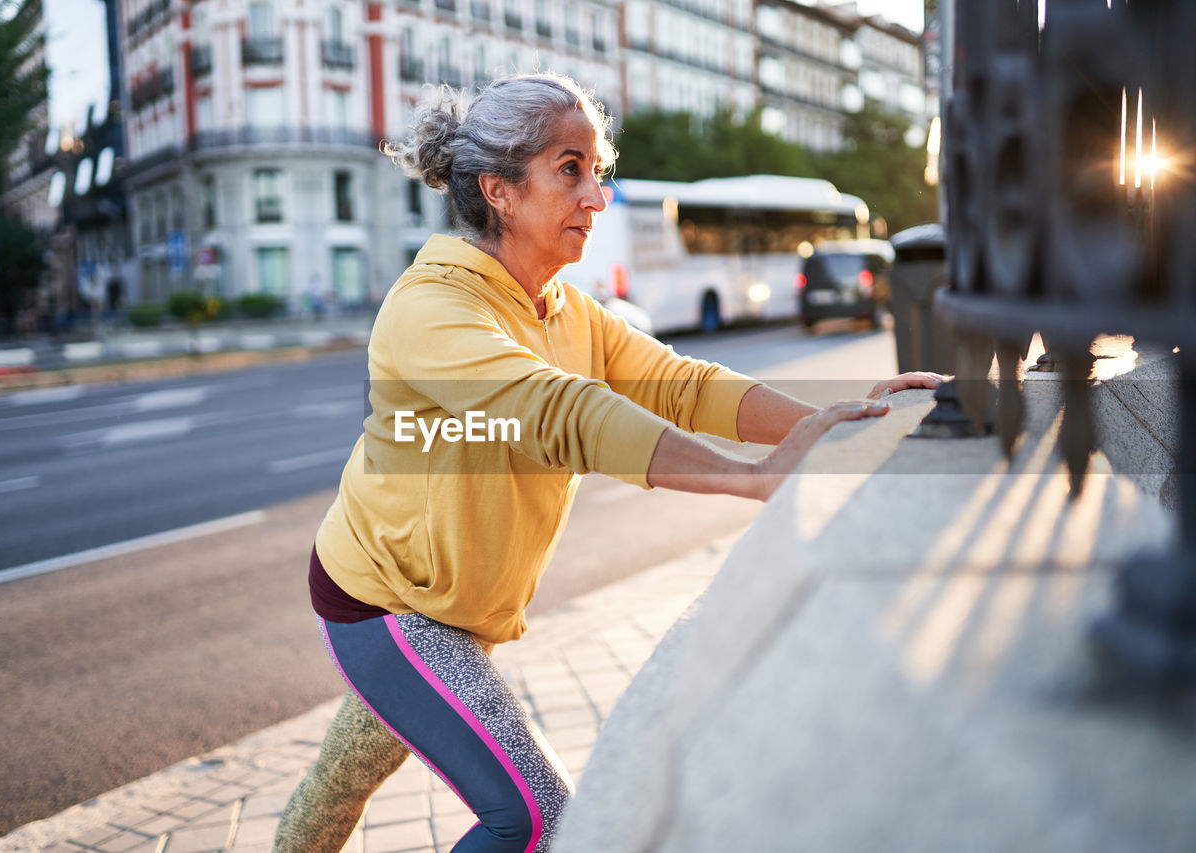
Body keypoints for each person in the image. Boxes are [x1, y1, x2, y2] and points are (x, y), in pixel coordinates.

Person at [274, 72, 942, 853]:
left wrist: (837, 421)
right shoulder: (431, 309)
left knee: (339, 782)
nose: (597, 195)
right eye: (570, 169)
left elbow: (680, 384)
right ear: (499, 190)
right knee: (533, 818)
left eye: (599, 170)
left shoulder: (564, 310)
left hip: (455, 606)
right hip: (390, 608)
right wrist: (751, 477)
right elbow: (563, 412)